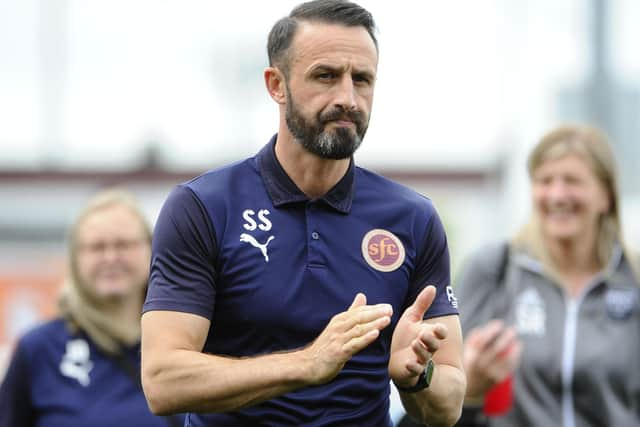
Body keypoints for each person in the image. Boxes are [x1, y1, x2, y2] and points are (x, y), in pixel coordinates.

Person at [140, 1, 466, 426]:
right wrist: (307, 363)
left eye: (362, 79)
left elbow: (450, 402)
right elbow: (163, 381)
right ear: (276, 84)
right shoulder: (204, 207)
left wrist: (417, 375)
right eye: (326, 76)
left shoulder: (413, 218)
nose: (347, 98)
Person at [455, 124, 640, 427]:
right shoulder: (494, 269)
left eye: (572, 181)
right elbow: (441, 399)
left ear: (605, 196)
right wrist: (471, 388)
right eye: (544, 181)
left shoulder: (632, 279)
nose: (557, 194)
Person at [0, 189, 184, 427]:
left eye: (124, 244)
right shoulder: (38, 349)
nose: (111, 257)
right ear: (75, 259)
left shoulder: (182, 342)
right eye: (97, 247)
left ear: (152, 249)